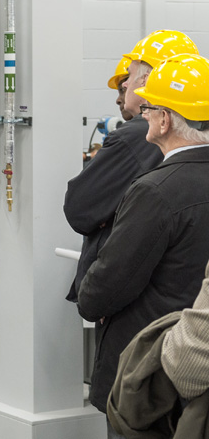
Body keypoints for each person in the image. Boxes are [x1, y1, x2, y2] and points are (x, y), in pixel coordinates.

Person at [78, 52, 209, 438]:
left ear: (165, 119)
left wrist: (89, 300)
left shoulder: (155, 191)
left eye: (150, 107)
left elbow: (111, 280)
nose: (144, 114)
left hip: (152, 374)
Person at [64, 30, 196, 303]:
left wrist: (93, 299)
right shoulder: (193, 140)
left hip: (140, 299)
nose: (122, 91)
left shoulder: (136, 137)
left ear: (148, 80)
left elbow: (80, 208)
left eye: (127, 78)